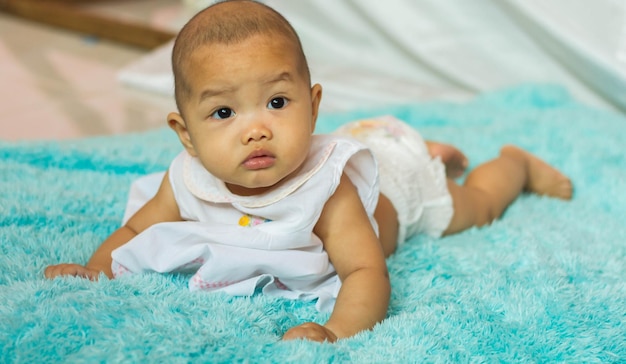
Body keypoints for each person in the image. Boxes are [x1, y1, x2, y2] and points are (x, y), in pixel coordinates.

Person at [44, 0, 573, 343]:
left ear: (312, 106)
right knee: (388, 145)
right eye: (224, 113)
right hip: (366, 143)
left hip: (401, 187)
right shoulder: (187, 177)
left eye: (277, 101)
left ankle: (514, 166)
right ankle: (425, 145)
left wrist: (336, 331)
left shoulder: (329, 189)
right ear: (186, 134)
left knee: (470, 207)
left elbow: (366, 272)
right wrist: (97, 268)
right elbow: (138, 229)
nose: (255, 130)